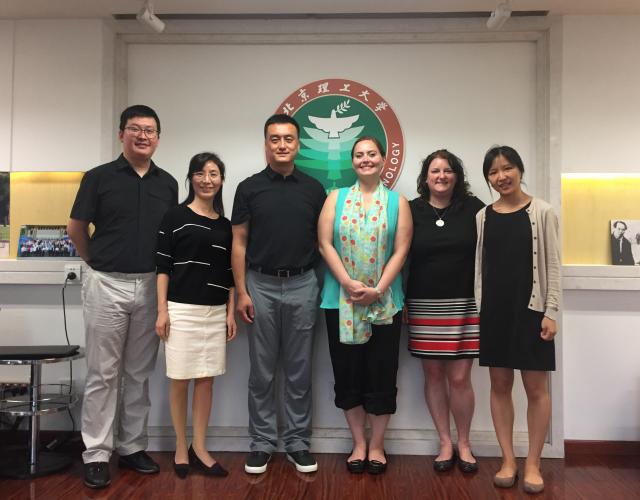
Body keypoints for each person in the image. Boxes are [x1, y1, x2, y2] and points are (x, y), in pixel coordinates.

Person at [67, 105, 178, 489]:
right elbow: (76, 227)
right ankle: (97, 453)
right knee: (103, 373)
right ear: (121, 135)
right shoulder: (98, 177)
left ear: (158, 138)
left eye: (150, 130)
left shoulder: (168, 183)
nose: (143, 136)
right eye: (135, 129)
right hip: (106, 283)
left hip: (150, 286)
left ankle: (132, 447)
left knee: (138, 373)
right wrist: (95, 263)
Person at [231, 114, 326, 474]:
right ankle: (262, 442)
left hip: (303, 284)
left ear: (298, 144)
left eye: (288, 139)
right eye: (275, 139)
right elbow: (239, 243)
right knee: (262, 371)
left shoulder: (314, 189)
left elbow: (323, 242)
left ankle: (298, 442)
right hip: (260, 285)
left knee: (299, 371)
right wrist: (241, 292)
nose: (282, 145)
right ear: (266, 144)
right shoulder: (249, 188)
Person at [318, 136, 412, 475]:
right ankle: (358, 443)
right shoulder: (335, 198)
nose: (365, 159)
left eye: (372, 154)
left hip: (385, 303)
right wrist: (347, 282)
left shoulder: (398, 202)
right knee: (348, 374)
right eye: (359, 155)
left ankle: (377, 445)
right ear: (352, 161)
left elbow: (401, 250)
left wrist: (378, 289)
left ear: (383, 160)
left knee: (382, 373)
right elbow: (324, 244)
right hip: (340, 301)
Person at [475, 145, 560, 494]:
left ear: (520, 170)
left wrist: (551, 311)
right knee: (499, 385)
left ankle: (534, 463)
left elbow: (553, 265)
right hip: (495, 311)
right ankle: (508, 459)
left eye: (507, 168)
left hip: (531, 310)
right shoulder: (483, 216)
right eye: (493, 172)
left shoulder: (543, 211)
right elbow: (481, 266)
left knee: (536, 388)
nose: (501, 176)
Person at [155, 152, 236, 479]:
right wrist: (162, 310)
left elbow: (230, 272)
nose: (207, 180)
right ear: (190, 178)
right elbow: (162, 266)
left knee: (206, 379)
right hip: (181, 309)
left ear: (221, 180)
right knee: (179, 379)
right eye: (200, 173)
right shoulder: (174, 216)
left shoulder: (226, 225)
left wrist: (230, 312)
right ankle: (180, 446)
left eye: (214, 174)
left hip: (215, 311)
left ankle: (200, 447)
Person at [405, 150, 484, 473]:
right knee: (434, 375)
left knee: (460, 377)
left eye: (448, 170)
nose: (441, 176)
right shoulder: (412, 210)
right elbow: (401, 256)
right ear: (425, 178)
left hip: (466, 304)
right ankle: (444, 442)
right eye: (435, 171)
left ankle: (464, 443)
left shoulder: (475, 209)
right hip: (423, 304)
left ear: (457, 176)